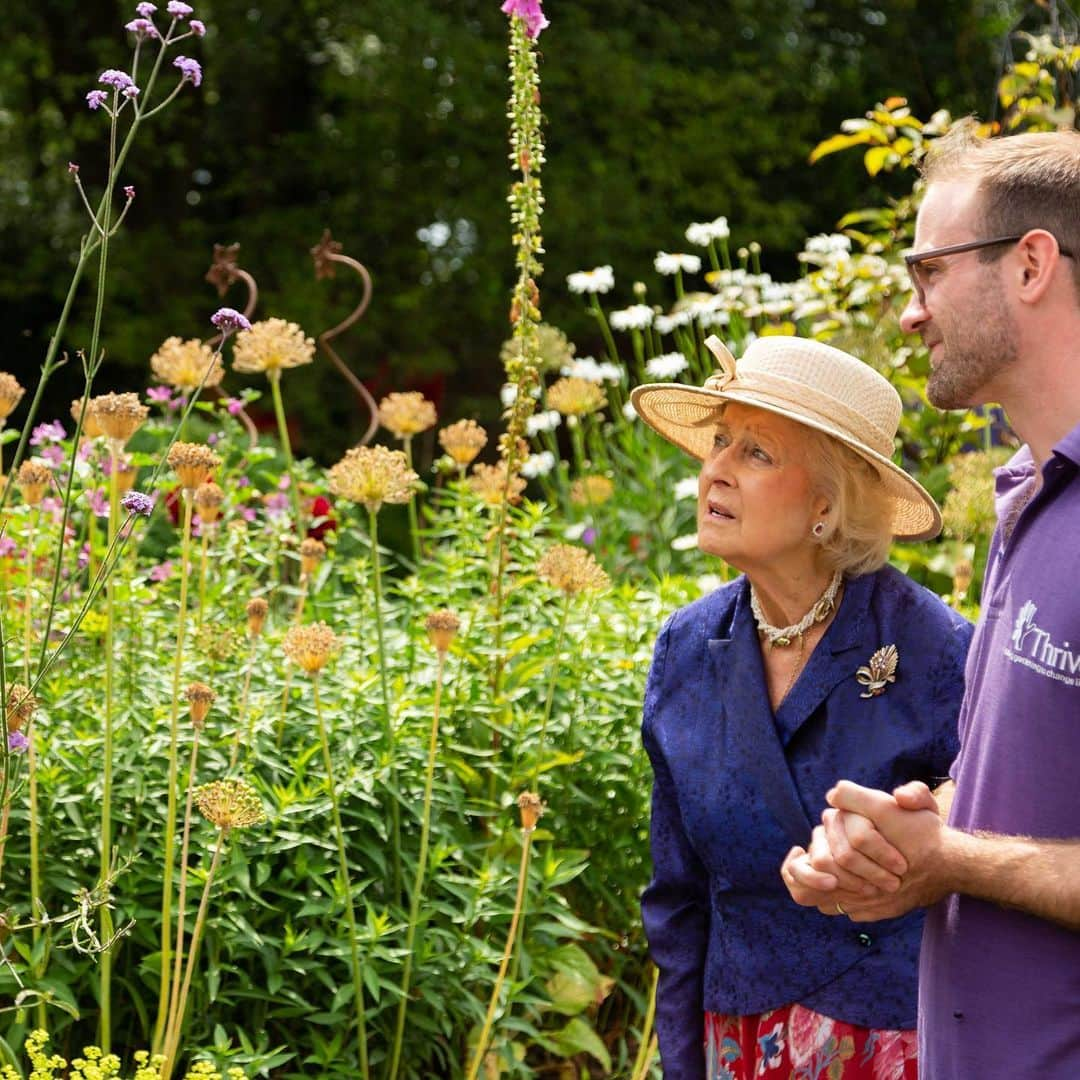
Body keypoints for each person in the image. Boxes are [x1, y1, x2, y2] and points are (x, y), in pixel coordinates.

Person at [781, 121, 1080, 1079]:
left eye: (928, 273)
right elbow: (1027, 790)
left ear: (1031, 264)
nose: (911, 314)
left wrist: (950, 859)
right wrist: (894, 839)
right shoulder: (1031, 494)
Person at [631, 334, 972, 1079]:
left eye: (754, 453)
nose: (714, 470)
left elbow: (992, 851)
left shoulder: (933, 647)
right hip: (737, 1046)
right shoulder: (686, 650)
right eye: (719, 442)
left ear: (827, 502)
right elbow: (678, 901)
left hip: (898, 1045)